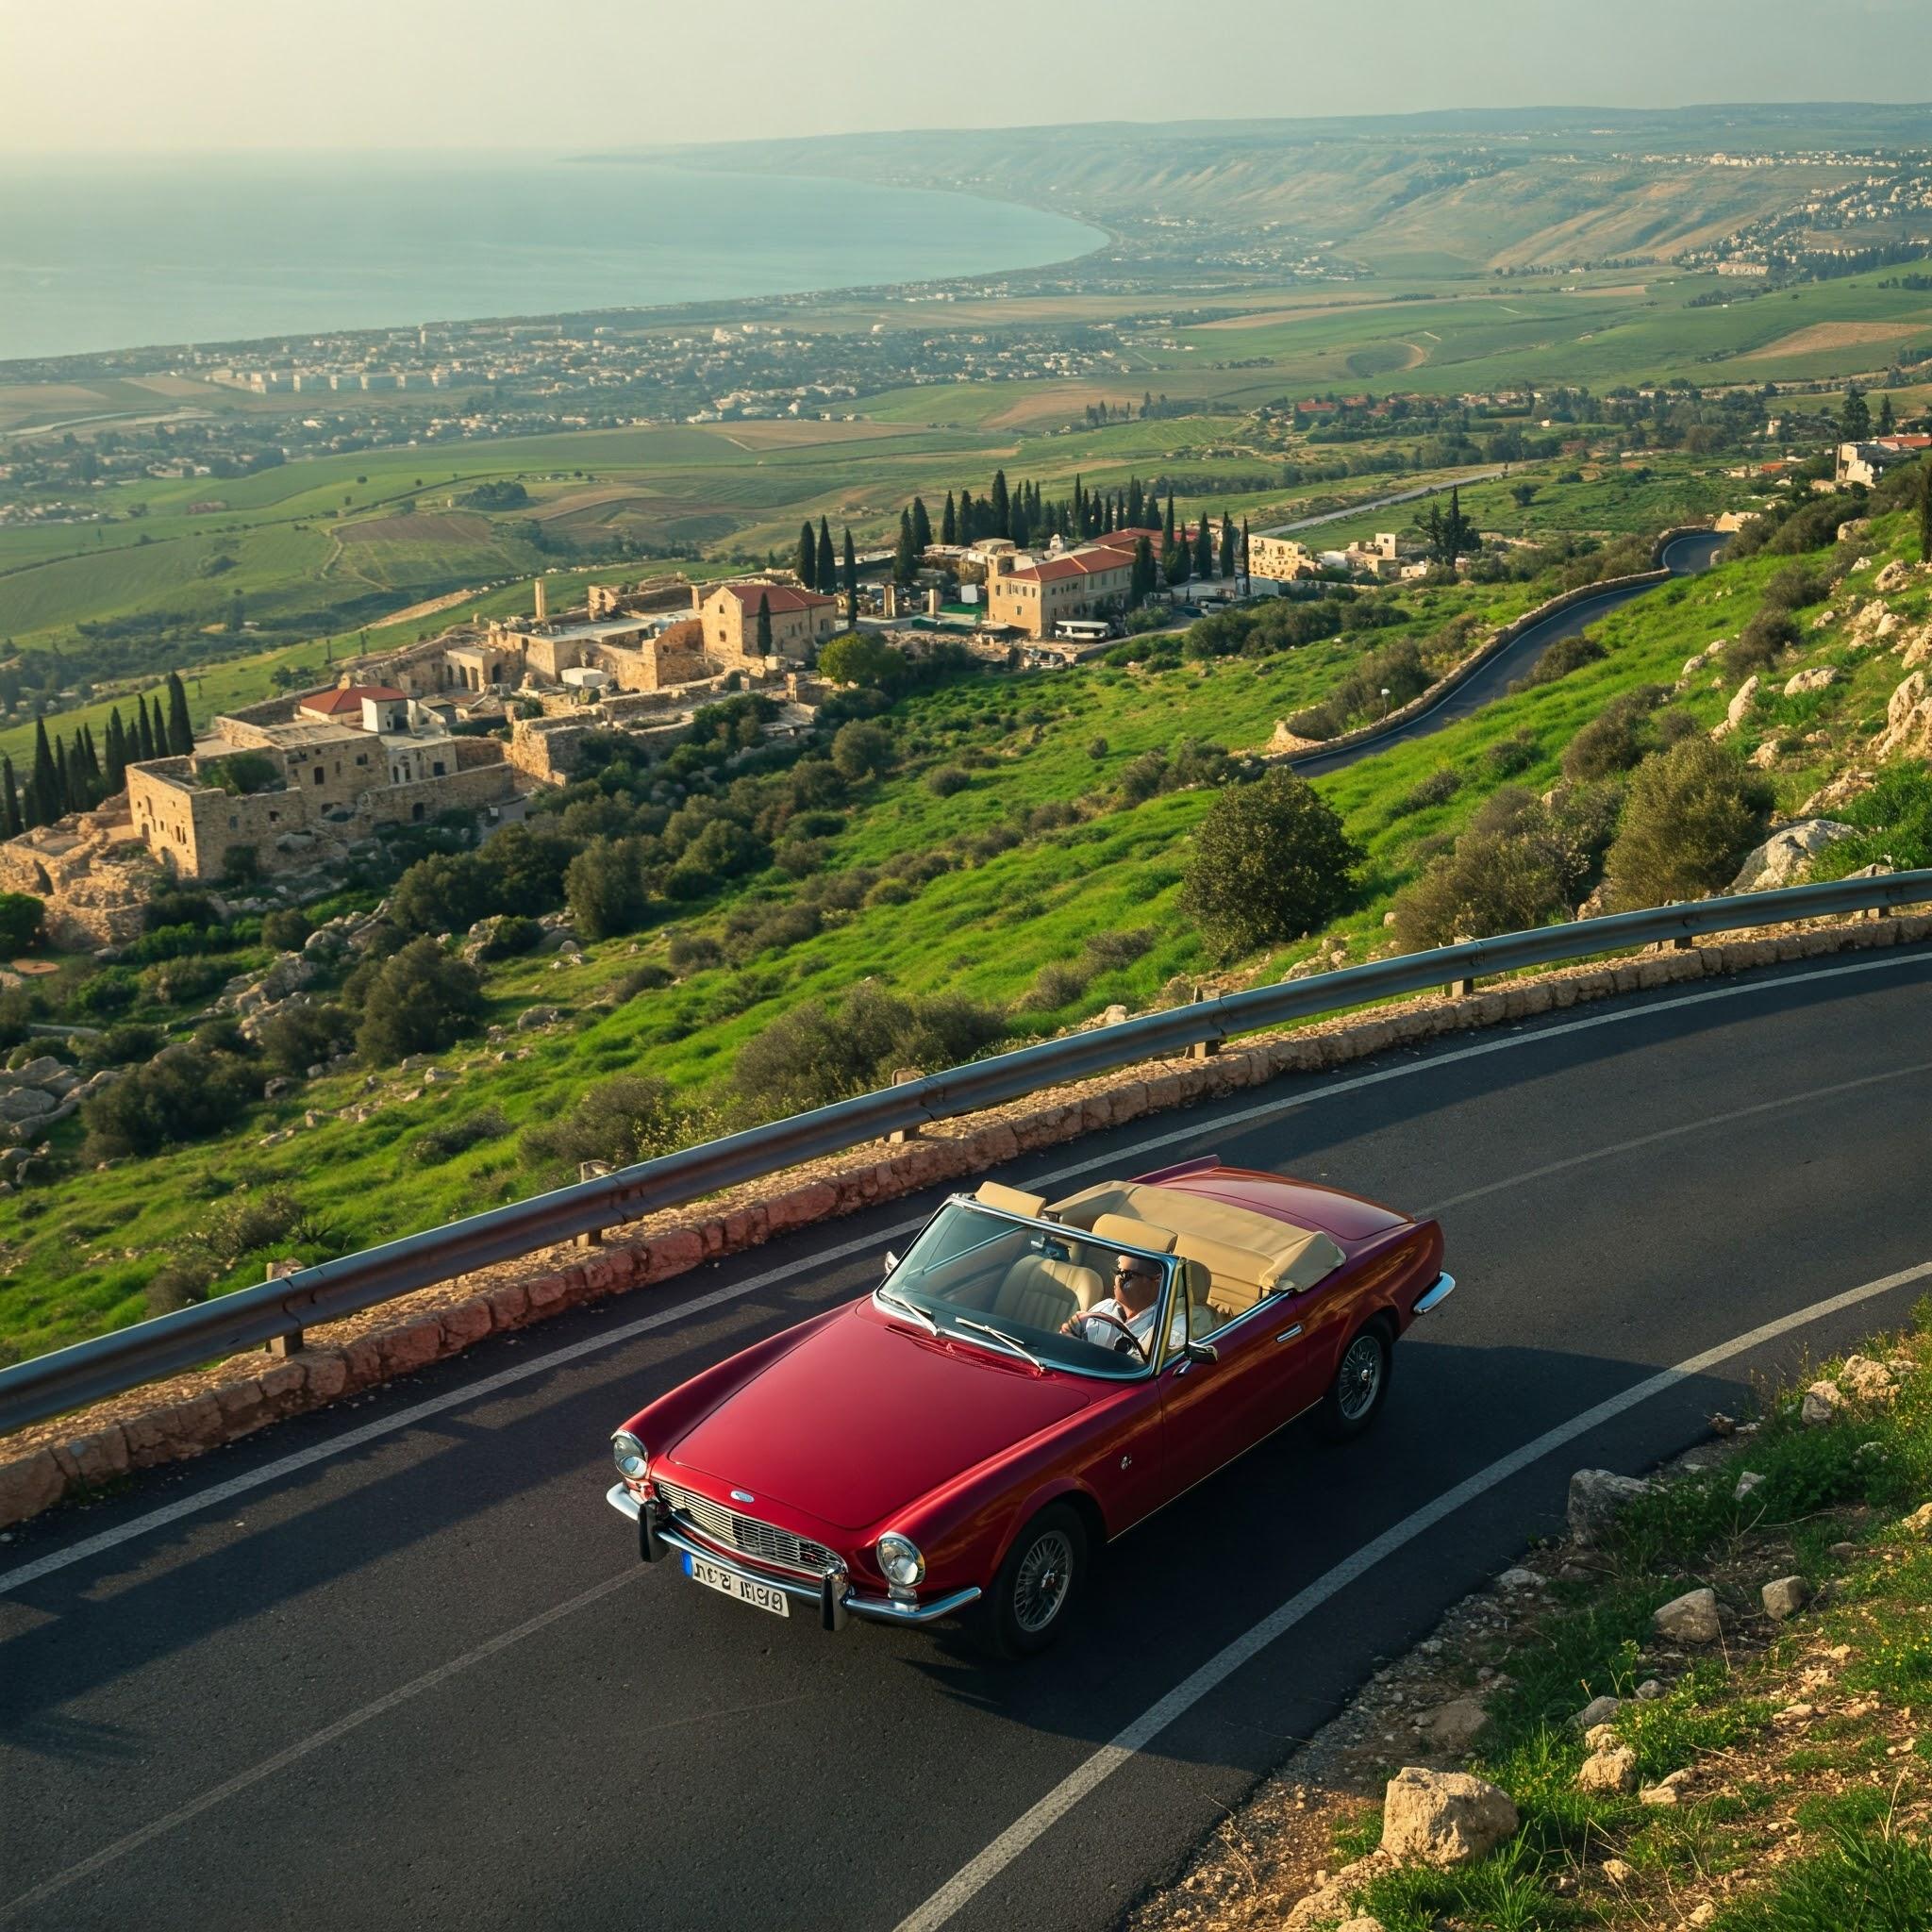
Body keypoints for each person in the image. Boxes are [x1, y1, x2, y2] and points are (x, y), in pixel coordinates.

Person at [1062, 1254, 1184, 1358]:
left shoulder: (1171, 1325)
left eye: (1126, 1275)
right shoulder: (1104, 1307)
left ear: (1157, 1280)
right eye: (1117, 1272)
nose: (1117, 1280)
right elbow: (1064, 1347)